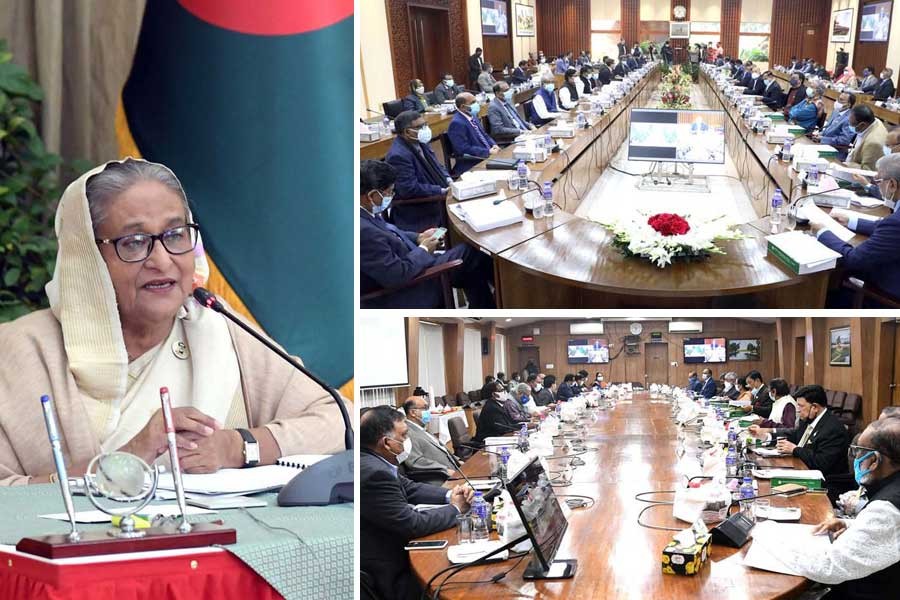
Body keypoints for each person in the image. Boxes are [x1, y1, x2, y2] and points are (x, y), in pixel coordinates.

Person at [0, 158, 348, 485]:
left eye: (175, 235)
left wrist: (238, 446)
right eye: (134, 242)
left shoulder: (215, 327)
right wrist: (129, 457)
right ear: (87, 257)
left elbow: (338, 419)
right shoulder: (20, 353)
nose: (163, 260)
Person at [750, 417, 900, 600]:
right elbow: (891, 531)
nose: (855, 458)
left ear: (874, 460)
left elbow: (829, 566)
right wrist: (851, 524)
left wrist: (765, 537)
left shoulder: (886, 508)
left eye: (858, 451)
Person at [361, 406, 473, 600]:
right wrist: (455, 508)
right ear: (386, 443)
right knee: (461, 582)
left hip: (392, 551)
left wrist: (451, 494)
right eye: (404, 436)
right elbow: (412, 524)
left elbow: (410, 488)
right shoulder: (374, 473)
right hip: (391, 571)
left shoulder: (374, 461)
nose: (407, 441)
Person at [359, 160, 496, 308]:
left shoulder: (363, 211)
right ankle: (499, 301)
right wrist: (424, 249)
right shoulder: (363, 231)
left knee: (472, 267)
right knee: (472, 252)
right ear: (371, 195)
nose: (392, 195)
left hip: (412, 262)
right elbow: (397, 275)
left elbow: (389, 231)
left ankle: (486, 306)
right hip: (409, 287)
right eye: (389, 192)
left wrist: (419, 237)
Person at [810, 153, 900, 301]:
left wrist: (822, 232)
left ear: (892, 184)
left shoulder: (895, 223)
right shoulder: (894, 221)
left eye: (878, 181)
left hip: (890, 289)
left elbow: (853, 259)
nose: (877, 185)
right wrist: (851, 221)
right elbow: (888, 228)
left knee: (834, 280)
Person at [755, 385, 850, 477]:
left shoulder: (833, 429)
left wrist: (795, 449)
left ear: (815, 407)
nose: (798, 410)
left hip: (826, 482)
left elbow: (821, 463)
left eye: (801, 406)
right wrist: (767, 436)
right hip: (801, 469)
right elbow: (795, 435)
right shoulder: (807, 419)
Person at [384, 110, 452, 232]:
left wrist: (448, 179)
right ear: (407, 132)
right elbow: (409, 189)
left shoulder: (420, 142)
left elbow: (438, 166)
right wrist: (441, 190)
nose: (425, 129)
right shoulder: (398, 156)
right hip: (420, 209)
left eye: (425, 124)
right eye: (420, 127)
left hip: (439, 196)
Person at [401, 396, 457, 483]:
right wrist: (444, 470)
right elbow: (415, 461)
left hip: (454, 469)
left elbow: (441, 448)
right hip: (440, 477)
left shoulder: (421, 428)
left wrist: (457, 460)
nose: (429, 411)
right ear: (413, 412)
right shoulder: (408, 432)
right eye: (425, 408)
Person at [446, 93, 500, 176]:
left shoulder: (472, 115)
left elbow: (484, 135)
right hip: (473, 162)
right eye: (473, 102)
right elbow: (463, 148)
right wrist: (488, 152)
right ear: (462, 106)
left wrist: (494, 145)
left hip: (487, 156)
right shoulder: (457, 123)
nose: (476, 104)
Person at [844, 104, 888, 172]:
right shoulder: (873, 121)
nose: (849, 125)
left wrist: (845, 165)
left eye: (851, 124)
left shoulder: (873, 143)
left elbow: (867, 171)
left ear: (862, 125)